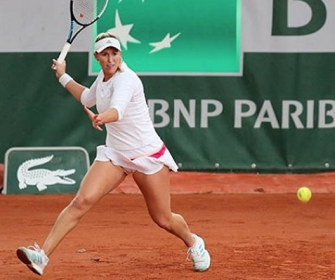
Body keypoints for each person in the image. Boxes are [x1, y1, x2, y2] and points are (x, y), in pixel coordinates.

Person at [16, 32, 211, 276]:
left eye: (114, 54)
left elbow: (117, 111)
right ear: (97, 56)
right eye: (105, 54)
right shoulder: (103, 77)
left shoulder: (126, 79)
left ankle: (194, 243)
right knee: (81, 201)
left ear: (120, 55)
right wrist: (62, 75)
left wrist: (100, 117)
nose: (110, 59)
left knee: (163, 218)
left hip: (146, 155)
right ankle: (42, 256)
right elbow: (87, 97)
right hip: (116, 154)